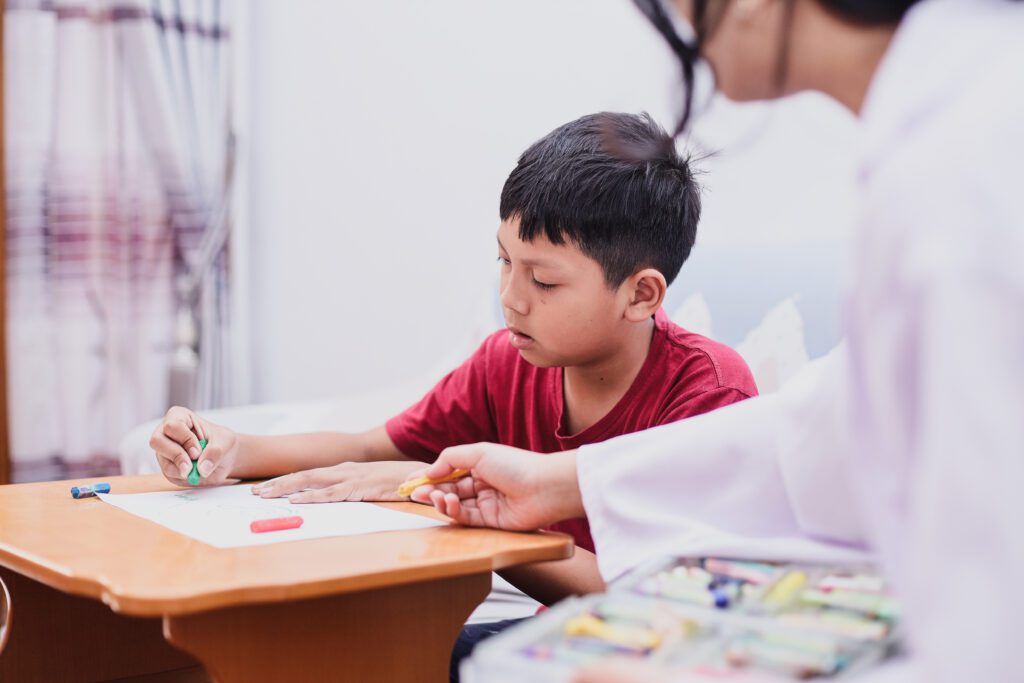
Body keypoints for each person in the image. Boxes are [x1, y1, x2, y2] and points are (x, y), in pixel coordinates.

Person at [407, 1, 1024, 681]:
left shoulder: (969, 183)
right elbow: (833, 427)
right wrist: (562, 482)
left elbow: (987, 627)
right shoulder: (956, 134)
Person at [150, 111, 757, 662]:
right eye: (503, 261)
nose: (510, 298)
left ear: (641, 294)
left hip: (661, 653)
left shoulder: (709, 396)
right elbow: (370, 450)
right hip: (549, 638)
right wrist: (234, 449)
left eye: (544, 282)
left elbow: (685, 605)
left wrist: (493, 524)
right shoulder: (507, 362)